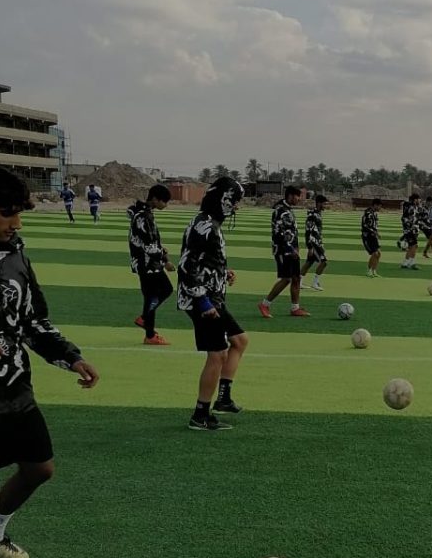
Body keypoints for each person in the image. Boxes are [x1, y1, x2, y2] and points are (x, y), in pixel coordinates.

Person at [0, 168, 99, 558]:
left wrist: (70, 356)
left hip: (13, 389)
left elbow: (32, 321)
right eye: (7, 213)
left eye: (18, 213)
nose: (16, 223)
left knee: (39, 468)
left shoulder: (15, 255)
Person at [177, 176, 248, 431]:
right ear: (223, 199)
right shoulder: (204, 225)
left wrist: (222, 273)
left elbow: (203, 260)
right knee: (217, 355)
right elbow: (187, 265)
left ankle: (223, 398)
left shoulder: (211, 224)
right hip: (203, 301)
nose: (236, 206)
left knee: (239, 341)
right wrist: (203, 301)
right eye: (234, 200)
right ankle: (200, 415)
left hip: (213, 297)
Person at [128, 184, 176, 346]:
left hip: (147, 262)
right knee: (163, 290)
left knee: (152, 295)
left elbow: (151, 241)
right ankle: (146, 323)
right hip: (146, 263)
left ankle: (149, 330)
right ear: (155, 199)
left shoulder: (145, 214)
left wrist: (162, 251)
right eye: (164, 201)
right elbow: (149, 246)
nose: (166, 205)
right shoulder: (143, 217)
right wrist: (165, 260)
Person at [258, 185, 309, 318]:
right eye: (298, 196)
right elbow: (278, 233)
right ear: (291, 196)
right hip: (283, 251)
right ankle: (264, 304)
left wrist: (296, 247)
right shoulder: (279, 211)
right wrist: (290, 249)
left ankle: (295, 308)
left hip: (293, 250)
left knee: (296, 278)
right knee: (286, 279)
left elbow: (291, 231)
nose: (299, 199)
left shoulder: (288, 209)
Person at [300, 194, 329, 291]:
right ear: (319, 203)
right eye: (324, 204)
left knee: (309, 262)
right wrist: (310, 247)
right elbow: (308, 230)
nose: (325, 206)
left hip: (317, 241)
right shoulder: (312, 214)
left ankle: (299, 282)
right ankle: (315, 283)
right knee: (324, 262)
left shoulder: (318, 213)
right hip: (314, 242)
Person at [399, 192, 421, 269]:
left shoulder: (412, 206)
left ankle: (405, 263)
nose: (419, 201)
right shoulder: (410, 207)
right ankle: (412, 263)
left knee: (411, 246)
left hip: (411, 229)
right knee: (414, 245)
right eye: (419, 199)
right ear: (415, 199)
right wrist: (410, 227)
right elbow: (405, 218)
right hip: (410, 230)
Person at [361, 198, 382, 276]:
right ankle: (369, 270)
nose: (380, 208)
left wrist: (376, 232)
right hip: (367, 236)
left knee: (378, 253)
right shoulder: (368, 213)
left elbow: (374, 225)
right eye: (379, 206)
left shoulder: (374, 213)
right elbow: (365, 225)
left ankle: (374, 271)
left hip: (373, 236)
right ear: (375, 205)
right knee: (374, 253)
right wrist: (374, 232)